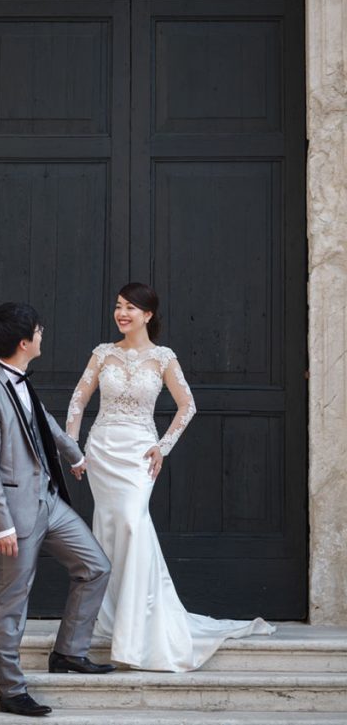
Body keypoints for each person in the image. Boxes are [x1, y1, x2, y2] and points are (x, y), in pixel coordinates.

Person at [65, 282, 273, 672]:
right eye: (118, 306)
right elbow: (79, 399)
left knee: (131, 523)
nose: (122, 313)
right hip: (103, 450)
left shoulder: (162, 358)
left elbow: (187, 405)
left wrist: (163, 446)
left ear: (148, 315)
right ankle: (108, 620)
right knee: (107, 530)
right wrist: (73, 446)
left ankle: (137, 629)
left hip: (139, 454)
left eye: (130, 307)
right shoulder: (102, 354)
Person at [0, 302, 115, 718]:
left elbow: (44, 424)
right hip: (15, 513)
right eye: (38, 330)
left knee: (95, 566)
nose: (42, 334)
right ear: (23, 342)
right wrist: (0, 525)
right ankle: (11, 691)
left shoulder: (21, 381)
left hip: (49, 501)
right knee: (10, 600)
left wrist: (75, 455)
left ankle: (69, 651)